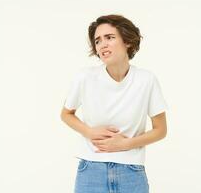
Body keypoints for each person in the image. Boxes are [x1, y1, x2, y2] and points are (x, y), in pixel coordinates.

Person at [60, 14, 168, 193]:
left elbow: (160, 130)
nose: (102, 44)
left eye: (109, 37)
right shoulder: (85, 77)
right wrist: (89, 132)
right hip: (91, 171)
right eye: (97, 41)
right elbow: (66, 114)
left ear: (127, 41)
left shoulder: (146, 80)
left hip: (132, 172)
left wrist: (125, 144)